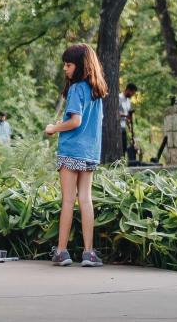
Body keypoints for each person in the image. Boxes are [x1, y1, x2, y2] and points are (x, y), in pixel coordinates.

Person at [44, 43, 107, 268]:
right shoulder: (96, 91)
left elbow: (75, 121)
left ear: (80, 66)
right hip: (90, 152)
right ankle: (89, 253)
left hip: (71, 151)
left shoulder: (76, 89)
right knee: (86, 199)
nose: (65, 69)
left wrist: (53, 127)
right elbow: (95, 123)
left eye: (68, 65)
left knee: (69, 200)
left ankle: (62, 251)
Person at [118, 83, 137, 161]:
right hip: (116, 127)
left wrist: (130, 129)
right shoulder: (118, 98)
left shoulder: (128, 101)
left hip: (123, 127)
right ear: (128, 90)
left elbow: (128, 116)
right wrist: (125, 116)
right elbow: (114, 112)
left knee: (124, 147)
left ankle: (122, 163)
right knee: (119, 147)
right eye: (132, 93)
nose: (132, 95)